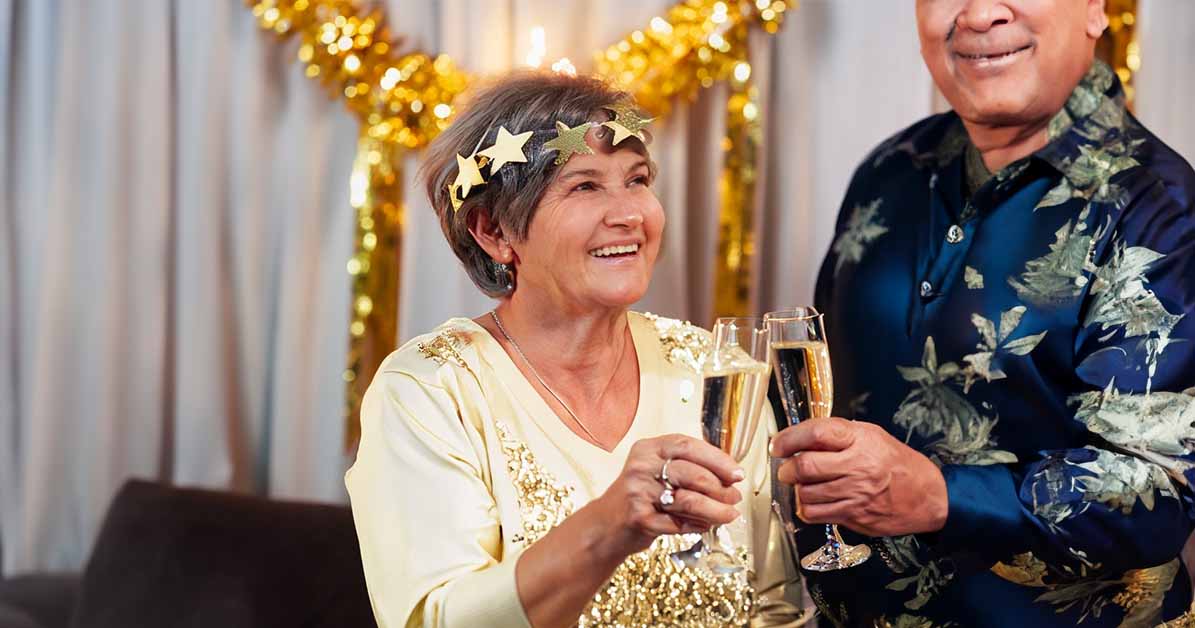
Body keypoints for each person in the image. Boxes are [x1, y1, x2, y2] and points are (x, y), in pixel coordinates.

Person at [771, 1, 1195, 626]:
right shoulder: (889, 172)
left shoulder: (1159, 211)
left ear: (1096, 10)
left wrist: (940, 498)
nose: (980, 14)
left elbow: (1160, 490)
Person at [345, 72, 804, 628]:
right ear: (493, 230)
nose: (629, 213)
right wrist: (608, 526)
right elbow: (438, 620)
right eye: (585, 186)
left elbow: (774, 604)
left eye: (637, 180)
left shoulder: (713, 368)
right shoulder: (429, 390)